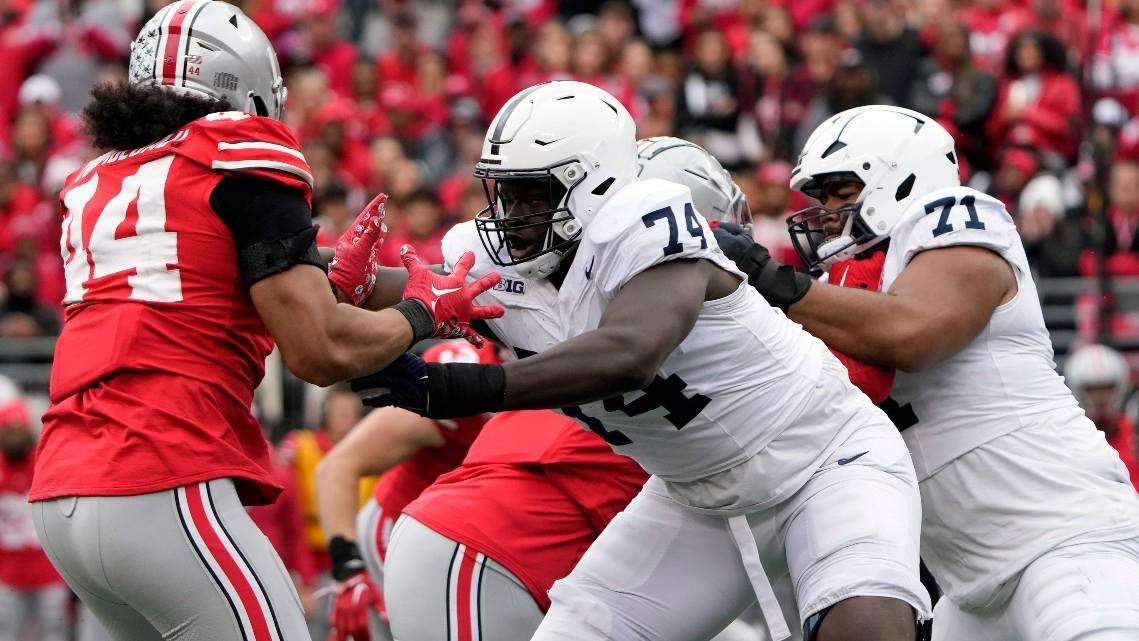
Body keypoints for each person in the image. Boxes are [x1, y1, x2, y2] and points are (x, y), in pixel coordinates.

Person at [352, 80, 931, 641]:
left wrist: (444, 387)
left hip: (824, 461)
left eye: (536, 193)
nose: (513, 214)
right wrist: (317, 267)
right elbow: (399, 284)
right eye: (506, 192)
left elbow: (629, 354)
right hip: (697, 497)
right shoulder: (513, 266)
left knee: (865, 625)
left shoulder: (651, 226)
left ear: (598, 186)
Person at [28, 2, 502, 641]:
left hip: (64, 489)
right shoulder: (236, 149)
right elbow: (320, 351)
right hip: (162, 471)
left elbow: (192, 281)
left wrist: (322, 274)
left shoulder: (99, 179)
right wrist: (423, 314)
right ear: (245, 89)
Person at [712, 104, 1139, 641]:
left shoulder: (959, 220)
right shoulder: (848, 288)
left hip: (1065, 541)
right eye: (820, 200)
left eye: (842, 193)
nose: (825, 214)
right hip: (969, 590)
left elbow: (913, 334)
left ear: (902, 178)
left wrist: (768, 279)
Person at [315, 339, 501, 641]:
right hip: (397, 532)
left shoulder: (557, 375)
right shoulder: (464, 368)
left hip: (467, 541)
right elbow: (337, 467)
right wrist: (349, 570)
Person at [0, 386, 67, 641]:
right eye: (8, 430)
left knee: (54, 631)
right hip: (8, 573)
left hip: (48, 570)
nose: (13, 436)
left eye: (18, 429)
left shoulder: (45, 464)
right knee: (8, 633)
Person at [1064, 343, 1138, 487]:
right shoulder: (1065, 437)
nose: (1100, 398)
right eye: (1092, 390)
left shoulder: (1136, 433)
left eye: (1107, 388)